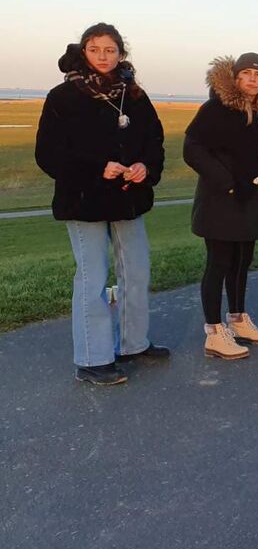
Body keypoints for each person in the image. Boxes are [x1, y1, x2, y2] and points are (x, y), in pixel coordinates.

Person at [34, 23, 169, 386]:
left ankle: (133, 344)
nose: (103, 57)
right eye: (95, 50)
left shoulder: (135, 95)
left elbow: (154, 141)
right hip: (84, 201)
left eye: (110, 50)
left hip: (128, 198)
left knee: (137, 272)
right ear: (84, 52)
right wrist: (97, 169)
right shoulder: (63, 97)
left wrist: (145, 167)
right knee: (92, 278)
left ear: (121, 53)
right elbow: (47, 154)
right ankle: (92, 360)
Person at [183, 53, 258, 359]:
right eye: (246, 73)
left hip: (251, 199)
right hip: (220, 200)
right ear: (235, 77)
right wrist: (226, 181)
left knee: (242, 262)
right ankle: (214, 333)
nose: (252, 79)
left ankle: (238, 320)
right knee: (219, 263)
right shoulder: (215, 109)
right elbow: (192, 149)